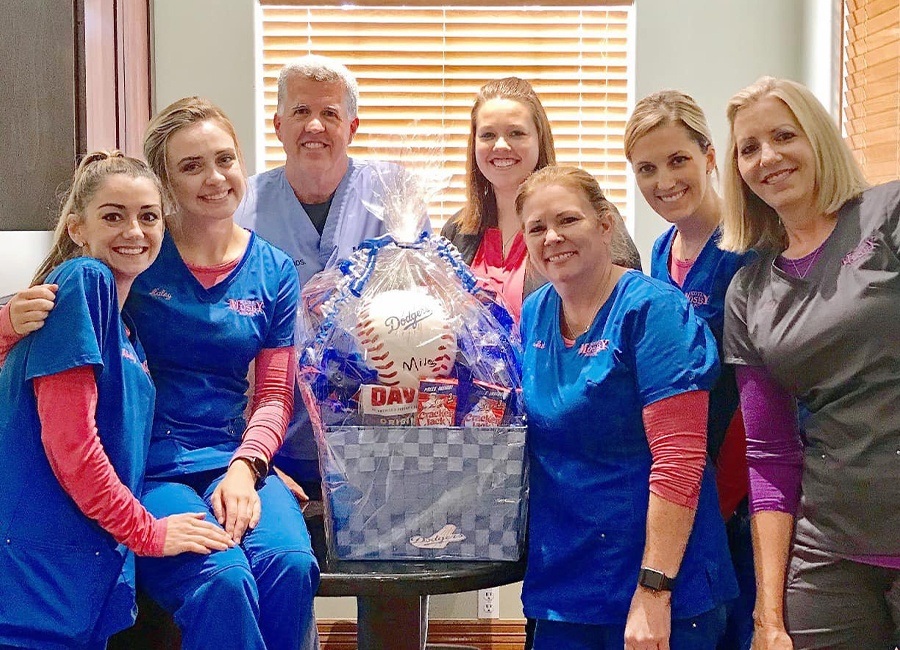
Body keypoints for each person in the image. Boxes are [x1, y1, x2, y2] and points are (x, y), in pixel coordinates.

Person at [2, 99, 320, 650]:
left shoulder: (273, 270)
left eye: (225, 159)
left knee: (290, 565)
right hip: (150, 468)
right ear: (165, 181)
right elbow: (47, 322)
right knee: (221, 578)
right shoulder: (134, 255)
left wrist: (251, 465)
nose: (215, 178)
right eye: (191, 166)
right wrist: (5, 318)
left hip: (233, 461)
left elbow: (272, 394)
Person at [0, 152, 233, 648]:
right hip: (35, 584)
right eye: (113, 216)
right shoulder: (87, 280)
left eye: (148, 216)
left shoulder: (126, 330)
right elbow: (71, 443)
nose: (135, 231)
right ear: (77, 228)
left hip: (79, 579)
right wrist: (147, 532)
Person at [517, 165, 737, 649]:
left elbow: (680, 460)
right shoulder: (533, 313)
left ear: (604, 224)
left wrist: (654, 590)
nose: (552, 237)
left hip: (659, 590)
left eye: (567, 220)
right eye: (537, 227)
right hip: (565, 586)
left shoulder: (654, 311)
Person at [720, 76, 899, 650]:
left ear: (817, 138)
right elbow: (770, 456)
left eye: (783, 135)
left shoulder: (887, 214)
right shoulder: (748, 291)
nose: (767, 157)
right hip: (830, 552)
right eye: (749, 148)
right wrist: (767, 618)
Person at [233, 53, 421, 491]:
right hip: (273, 437)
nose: (314, 126)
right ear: (278, 125)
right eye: (300, 111)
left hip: (377, 434)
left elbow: (424, 301)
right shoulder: (243, 207)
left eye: (329, 114)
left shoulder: (395, 197)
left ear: (351, 127)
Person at [624, 89, 755, 650]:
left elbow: (759, 394)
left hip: (740, 485)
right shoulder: (659, 251)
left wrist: (722, 497)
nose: (663, 181)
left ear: (708, 156)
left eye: (678, 160)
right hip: (686, 484)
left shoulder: (752, 250)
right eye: (646, 168)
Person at [441, 76, 641, 323]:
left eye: (516, 133)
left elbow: (627, 307)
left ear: (539, 138)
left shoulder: (587, 215)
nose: (501, 145)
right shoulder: (456, 231)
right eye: (488, 135)